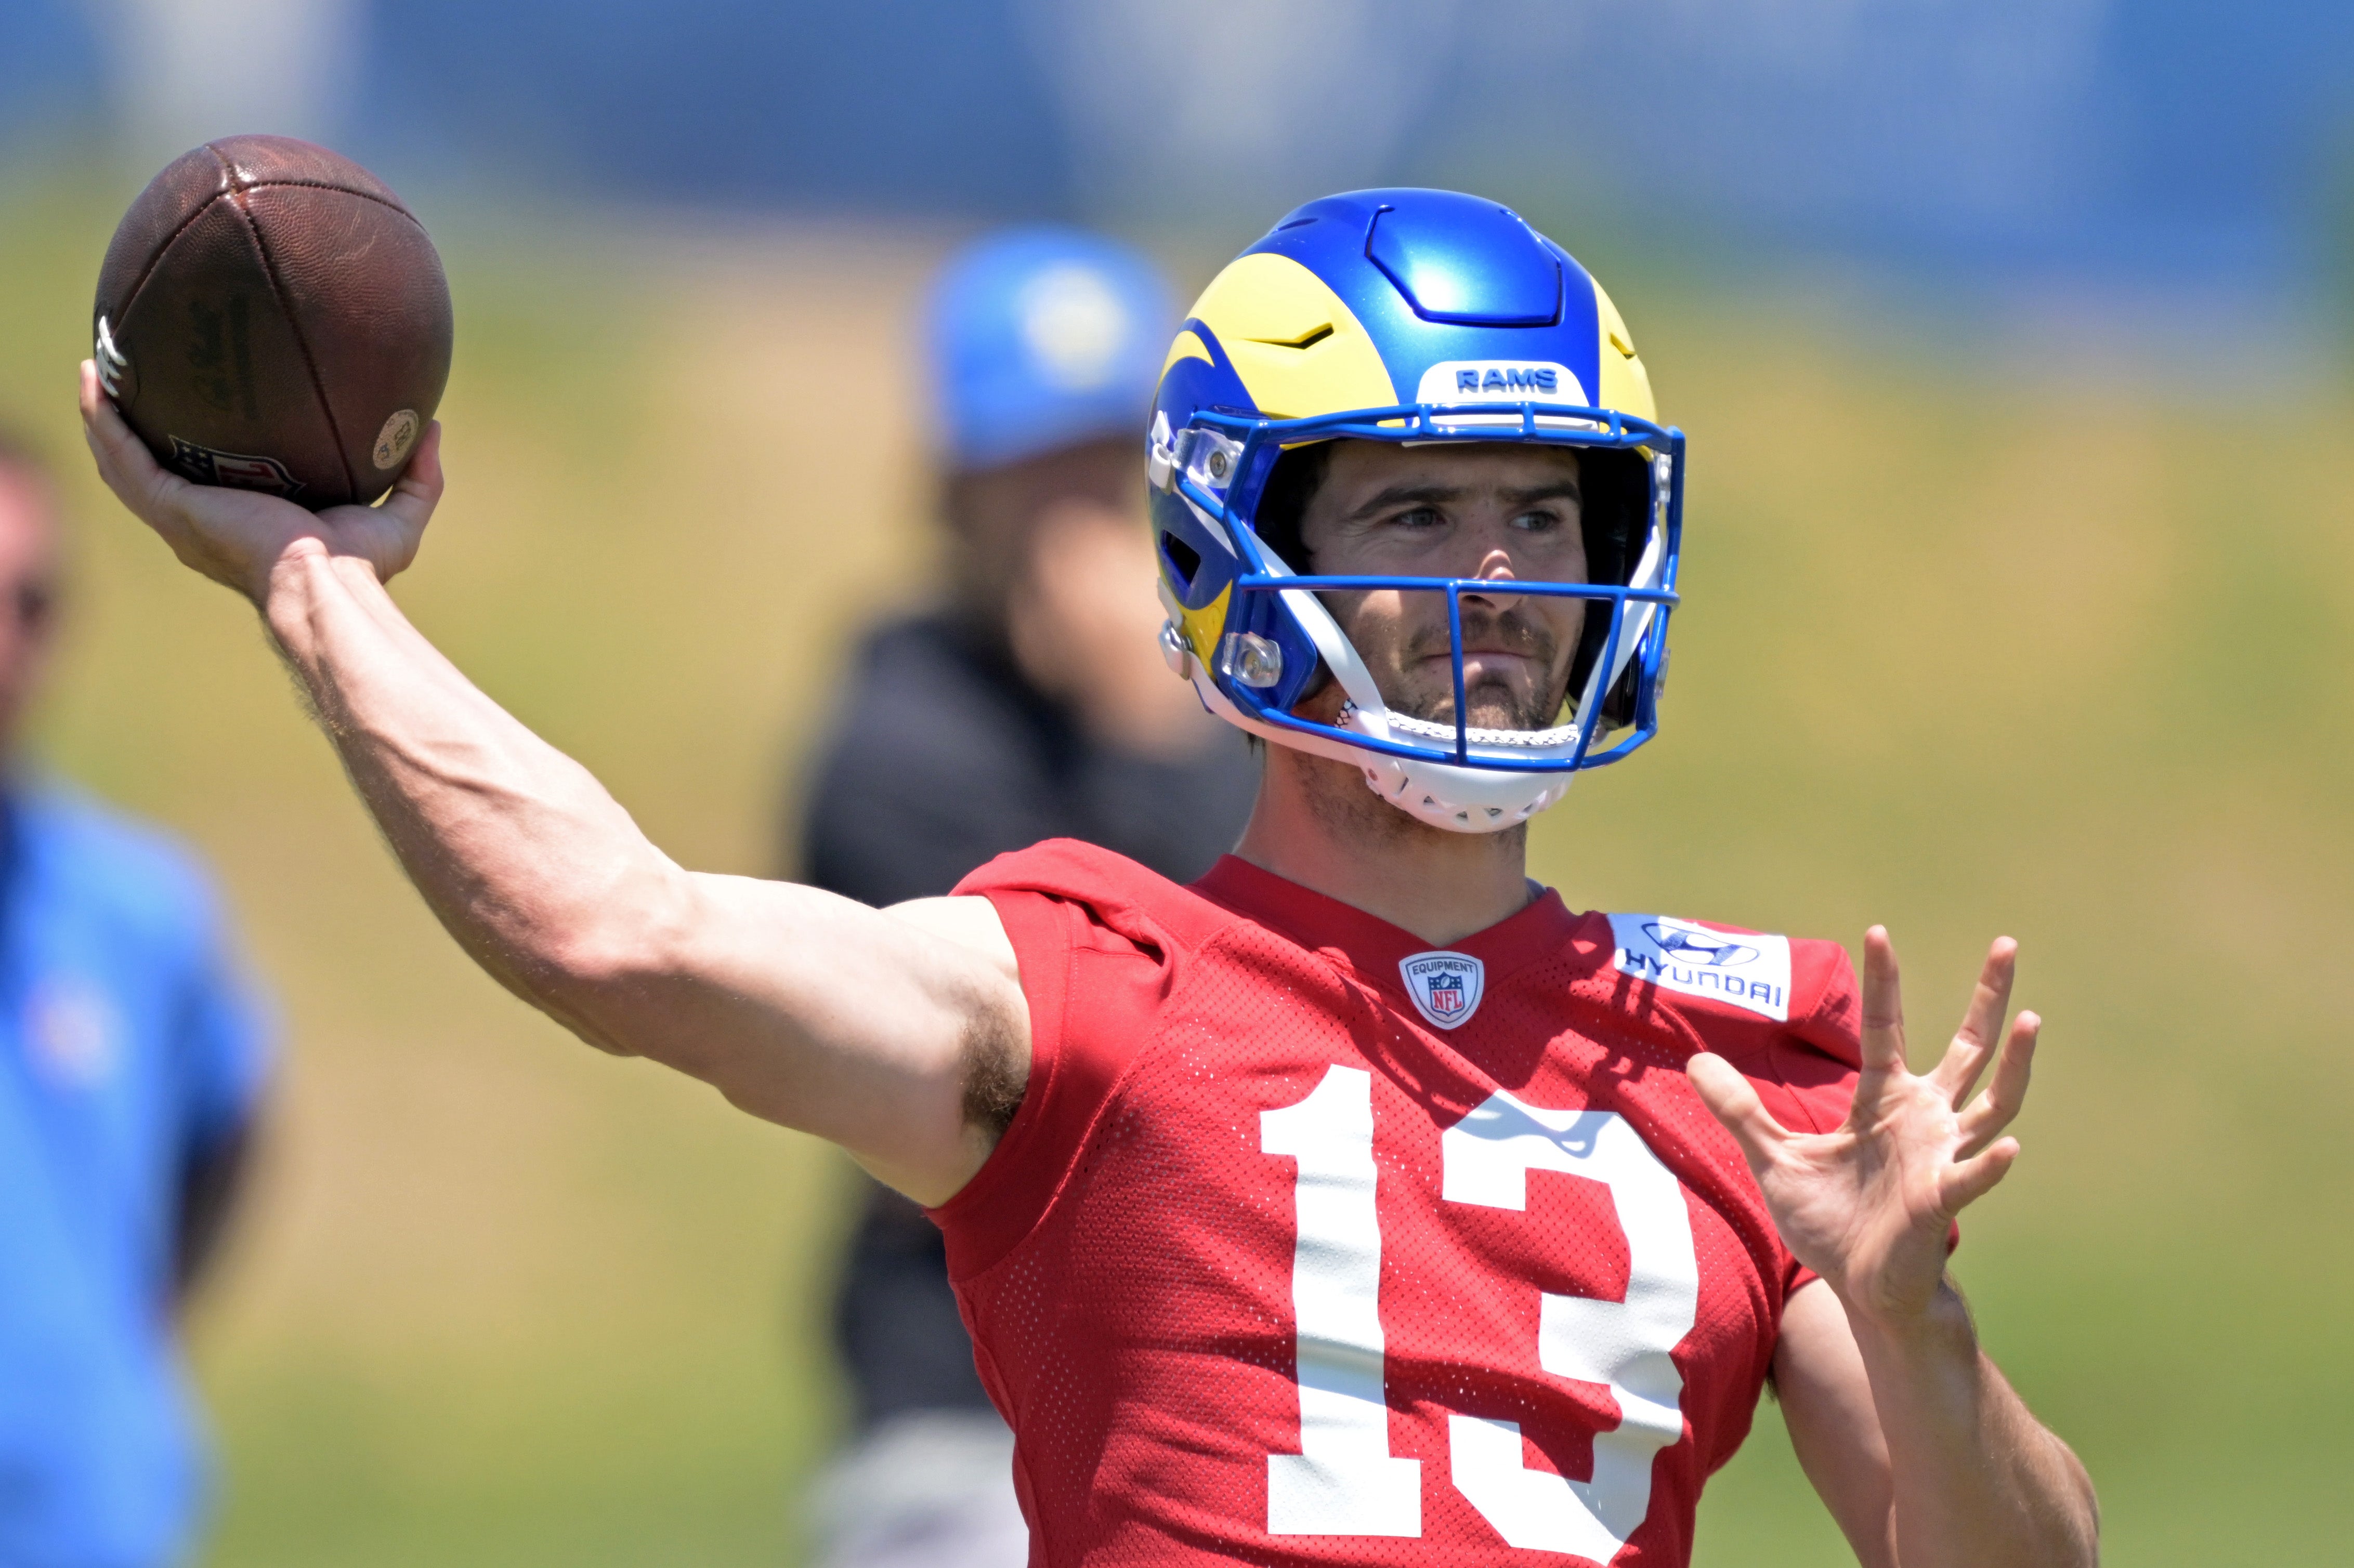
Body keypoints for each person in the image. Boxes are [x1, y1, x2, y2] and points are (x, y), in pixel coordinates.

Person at [80, 187, 2099, 1566]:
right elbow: (618, 927)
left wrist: (1915, 1325)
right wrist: (310, 588)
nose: (1490, 579)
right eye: (1414, 506)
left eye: (1538, 513)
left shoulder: (1733, 1065)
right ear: (1245, 551)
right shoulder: (1081, 978)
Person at [797, 229, 1253, 1568]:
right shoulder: (897, 743)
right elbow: (1099, 1066)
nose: (1080, 521)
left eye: (1103, 470)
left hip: (1201, 1407)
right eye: (1033, 477)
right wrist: (1145, 736)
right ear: (949, 494)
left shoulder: (1227, 705)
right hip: (966, 1420)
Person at [0, 430, 273, 1568]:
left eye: (33, 603)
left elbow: (225, 1129)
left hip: (93, 1531)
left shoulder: (137, 912)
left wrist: (121, 1341)